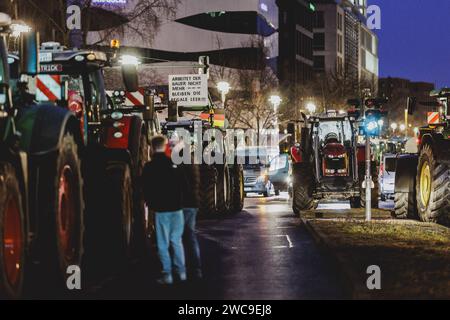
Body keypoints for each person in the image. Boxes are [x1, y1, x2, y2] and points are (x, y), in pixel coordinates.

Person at [142, 135, 186, 285]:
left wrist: (151, 203)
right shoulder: (174, 164)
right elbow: (183, 185)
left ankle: (167, 275)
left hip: (161, 210)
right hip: (177, 209)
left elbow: (145, 189)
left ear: (152, 148)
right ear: (165, 146)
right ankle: (181, 272)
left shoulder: (149, 167)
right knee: (176, 241)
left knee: (163, 244)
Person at [179, 158, 203, 280]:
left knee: (178, 237)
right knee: (190, 236)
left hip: (184, 204)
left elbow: (182, 185)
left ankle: (182, 269)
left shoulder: (181, 166)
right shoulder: (193, 164)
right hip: (193, 203)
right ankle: (196, 269)